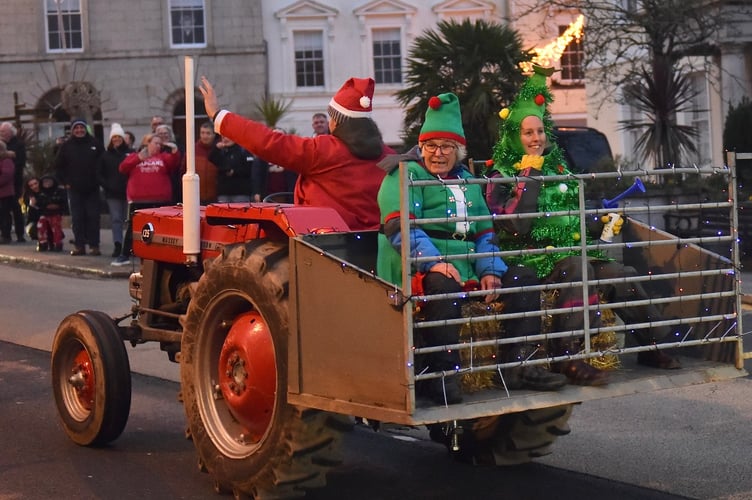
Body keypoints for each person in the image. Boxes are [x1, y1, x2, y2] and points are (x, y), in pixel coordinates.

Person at [486, 66, 681, 387]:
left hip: (565, 251)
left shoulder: (559, 168)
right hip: (529, 256)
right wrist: (529, 175)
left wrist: (595, 221)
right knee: (579, 269)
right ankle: (566, 355)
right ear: (513, 136)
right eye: (527, 132)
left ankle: (654, 343)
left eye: (539, 131)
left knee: (621, 274)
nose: (535, 139)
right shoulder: (499, 176)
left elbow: (568, 217)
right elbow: (516, 225)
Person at [376, 92, 567, 405]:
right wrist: (433, 262)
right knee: (442, 286)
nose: (438, 154)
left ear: (459, 151)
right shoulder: (404, 175)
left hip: (467, 264)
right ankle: (442, 374)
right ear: (421, 147)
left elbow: (484, 230)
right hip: (420, 265)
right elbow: (400, 228)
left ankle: (519, 364)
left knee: (523, 278)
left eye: (447, 147)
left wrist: (490, 270)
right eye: (431, 146)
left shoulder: (467, 180)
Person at [200, 75, 393, 230]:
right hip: (375, 240)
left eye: (331, 117)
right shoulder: (388, 155)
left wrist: (219, 116)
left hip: (326, 244)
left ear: (337, 121)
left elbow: (270, 142)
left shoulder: (325, 150)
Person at [112, 133, 181, 266]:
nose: (158, 146)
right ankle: (124, 254)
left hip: (160, 200)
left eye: (160, 144)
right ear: (147, 143)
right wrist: (139, 158)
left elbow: (174, 164)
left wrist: (175, 151)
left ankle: (160, 256)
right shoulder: (134, 157)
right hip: (139, 200)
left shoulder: (163, 157)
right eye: (155, 143)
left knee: (161, 230)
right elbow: (123, 168)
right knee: (134, 228)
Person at [53, 118, 103, 256]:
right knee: (77, 218)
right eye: (76, 128)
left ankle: (94, 245)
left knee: (93, 217)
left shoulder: (95, 144)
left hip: (92, 188)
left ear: (85, 129)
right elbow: (58, 167)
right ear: (72, 130)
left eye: (82, 128)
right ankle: (79, 245)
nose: (79, 130)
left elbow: (102, 164)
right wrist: (64, 182)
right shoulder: (66, 146)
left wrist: (99, 180)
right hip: (74, 189)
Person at [97, 123, 131, 258]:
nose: (116, 139)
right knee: (116, 219)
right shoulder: (105, 155)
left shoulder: (129, 153)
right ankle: (118, 244)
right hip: (112, 193)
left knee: (128, 220)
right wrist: (107, 185)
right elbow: (99, 173)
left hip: (128, 192)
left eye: (119, 137)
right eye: (114, 137)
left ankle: (128, 246)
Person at [210, 136, 268, 203]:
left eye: (228, 137)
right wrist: (216, 149)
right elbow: (212, 159)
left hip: (240, 193)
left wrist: (234, 172)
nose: (225, 139)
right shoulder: (221, 151)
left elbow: (249, 169)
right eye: (223, 137)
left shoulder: (243, 150)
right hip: (224, 192)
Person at [0, 122, 27, 243]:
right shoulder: (1, 144)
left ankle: (20, 234)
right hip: (3, 184)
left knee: (16, 208)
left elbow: (20, 162)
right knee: (4, 210)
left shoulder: (19, 145)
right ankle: (6, 234)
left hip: (15, 181)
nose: (1, 134)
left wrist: (7, 157)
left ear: (11, 132)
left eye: (3, 131)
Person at [34, 175, 67, 252]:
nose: (47, 183)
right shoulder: (40, 193)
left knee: (56, 226)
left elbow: (64, 202)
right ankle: (43, 243)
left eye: (49, 181)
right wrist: (45, 206)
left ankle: (57, 243)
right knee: (41, 225)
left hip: (56, 213)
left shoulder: (59, 191)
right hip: (44, 213)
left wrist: (57, 206)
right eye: (45, 182)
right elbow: (38, 204)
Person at [194, 121, 219, 204]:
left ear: (214, 135)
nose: (205, 136)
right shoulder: (193, 149)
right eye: (202, 133)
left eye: (208, 133)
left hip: (215, 196)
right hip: (196, 196)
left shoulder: (218, 149)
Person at [0, 140, 16, 244]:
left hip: (5, 193)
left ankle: (6, 236)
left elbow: (7, 175)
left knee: (4, 215)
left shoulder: (6, 160)